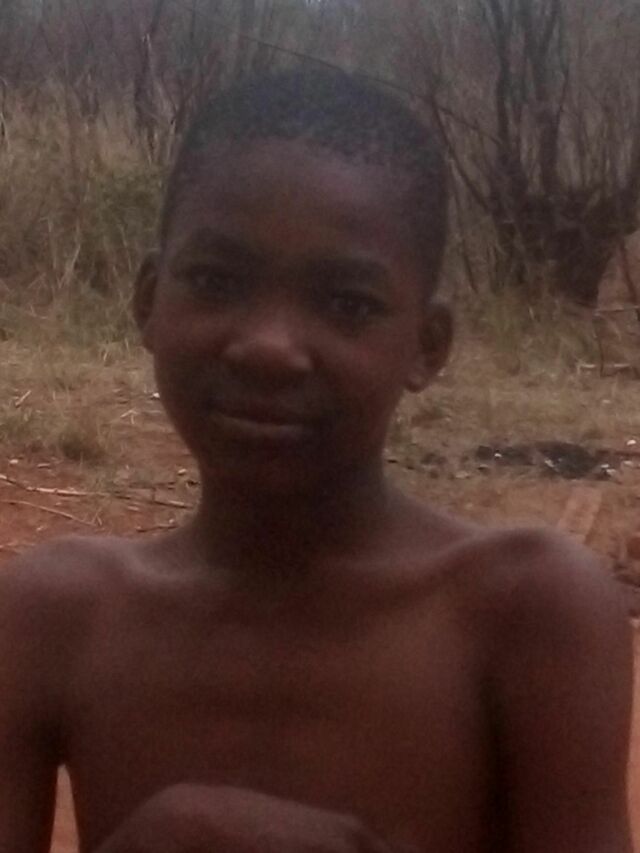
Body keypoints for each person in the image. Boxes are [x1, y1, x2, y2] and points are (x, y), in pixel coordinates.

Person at [0, 68, 632, 853]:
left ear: (428, 344)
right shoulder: (52, 619)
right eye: (217, 281)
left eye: (346, 303)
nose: (269, 347)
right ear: (148, 301)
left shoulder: (526, 612)